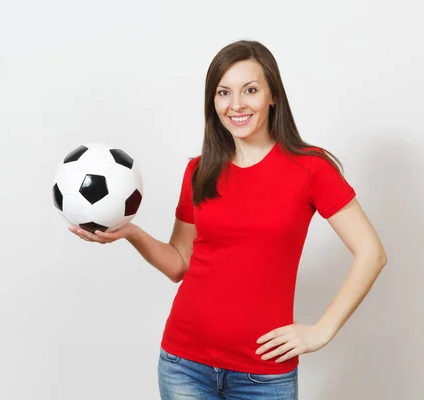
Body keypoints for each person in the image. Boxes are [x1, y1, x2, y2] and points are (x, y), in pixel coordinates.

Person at [69, 40, 387, 400]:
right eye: (224, 93)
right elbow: (179, 264)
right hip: (184, 363)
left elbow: (371, 252)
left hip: (263, 374)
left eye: (249, 90)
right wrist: (132, 233)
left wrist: (321, 331)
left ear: (272, 96)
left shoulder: (311, 168)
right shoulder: (199, 170)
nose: (236, 104)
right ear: (213, 102)